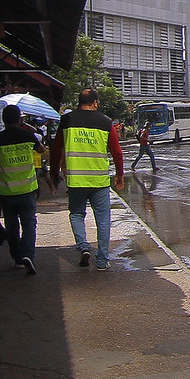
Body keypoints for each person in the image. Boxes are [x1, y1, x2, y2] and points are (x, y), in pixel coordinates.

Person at [51, 89, 125, 270]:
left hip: (76, 179)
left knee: (76, 214)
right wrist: (119, 175)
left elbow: (56, 149)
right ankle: (101, 260)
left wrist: (54, 174)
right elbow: (117, 153)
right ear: (95, 103)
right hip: (99, 180)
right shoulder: (105, 122)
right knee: (103, 220)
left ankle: (83, 246)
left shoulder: (67, 120)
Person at [0, 106, 42, 276]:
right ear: (19, 119)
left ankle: (17, 258)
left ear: (3, 120)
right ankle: (28, 254)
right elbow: (42, 150)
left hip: (7, 192)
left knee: (12, 226)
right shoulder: (28, 136)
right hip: (28, 190)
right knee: (29, 224)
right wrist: (30, 129)